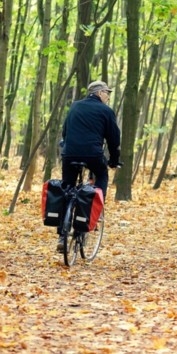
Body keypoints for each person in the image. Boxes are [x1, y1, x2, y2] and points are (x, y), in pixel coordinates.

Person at [58, 80, 121, 252]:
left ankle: (62, 235)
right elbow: (114, 139)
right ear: (99, 93)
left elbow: (65, 131)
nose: (108, 96)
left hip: (69, 154)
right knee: (102, 175)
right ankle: (96, 209)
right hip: (93, 155)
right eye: (107, 92)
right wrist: (114, 160)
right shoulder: (106, 111)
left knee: (67, 189)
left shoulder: (75, 106)